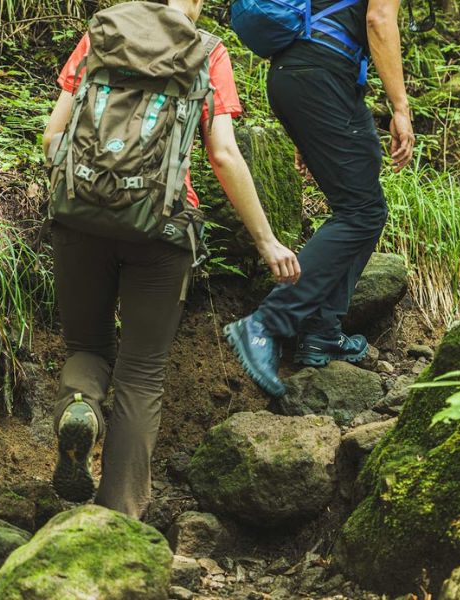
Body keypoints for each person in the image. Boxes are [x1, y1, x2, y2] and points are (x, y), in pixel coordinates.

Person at [43, 0, 300, 518]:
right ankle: (119, 515)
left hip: (79, 219)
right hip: (160, 229)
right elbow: (224, 153)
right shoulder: (206, 51)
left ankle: (79, 407)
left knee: (87, 345)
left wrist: (83, 198)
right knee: (141, 372)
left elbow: (53, 137)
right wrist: (267, 240)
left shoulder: (105, 30)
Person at [223, 0, 415, 398]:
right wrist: (400, 107)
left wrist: (307, 132)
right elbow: (379, 19)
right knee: (362, 212)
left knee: (364, 208)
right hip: (320, 78)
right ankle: (266, 324)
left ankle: (322, 332)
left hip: (298, 76)